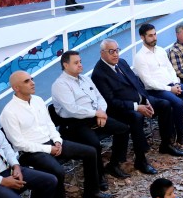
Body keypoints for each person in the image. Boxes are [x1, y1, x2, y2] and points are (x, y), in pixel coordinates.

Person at [0, 70, 109, 198]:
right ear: (16, 88)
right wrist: (48, 149)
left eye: (32, 79)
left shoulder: (37, 100)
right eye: (26, 81)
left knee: (90, 152)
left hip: (52, 143)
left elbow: (50, 125)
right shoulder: (9, 112)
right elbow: (19, 143)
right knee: (57, 171)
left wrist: (57, 140)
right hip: (32, 152)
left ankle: (91, 191)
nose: (32, 82)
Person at [92, 38, 183, 166]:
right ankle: (140, 159)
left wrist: (146, 100)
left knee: (164, 104)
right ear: (102, 53)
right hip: (121, 109)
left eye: (117, 50)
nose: (115, 54)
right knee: (137, 116)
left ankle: (166, 144)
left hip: (140, 99)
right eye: (111, 51)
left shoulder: (122, 63)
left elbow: (137, 83)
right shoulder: (99, 73)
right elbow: (111, 102)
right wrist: (136, 107)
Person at [51, 50, 132, 180]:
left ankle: (114, 164)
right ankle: (98, 177)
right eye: (76, 63)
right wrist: (96, 113)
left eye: (80, 61)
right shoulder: (60, 85)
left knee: (123, 129)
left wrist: (102, 113)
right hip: (74, 123)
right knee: (94, 144)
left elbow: (100, 98)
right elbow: (72, 109)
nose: (80, 65)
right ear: (66, 65)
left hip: (95, 116)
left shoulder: (85, 79)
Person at [133, 23, 183, 136]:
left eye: (155, 34)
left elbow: (170, 69)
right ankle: (179, 135)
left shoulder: (160, 50)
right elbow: (148, 82)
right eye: (150, 35)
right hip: (156, 90)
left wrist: (176, 83)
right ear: (142, 37)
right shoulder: (140, 57)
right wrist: (170, 89)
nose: (154, 38)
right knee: (178, 103)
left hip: (172, 85)